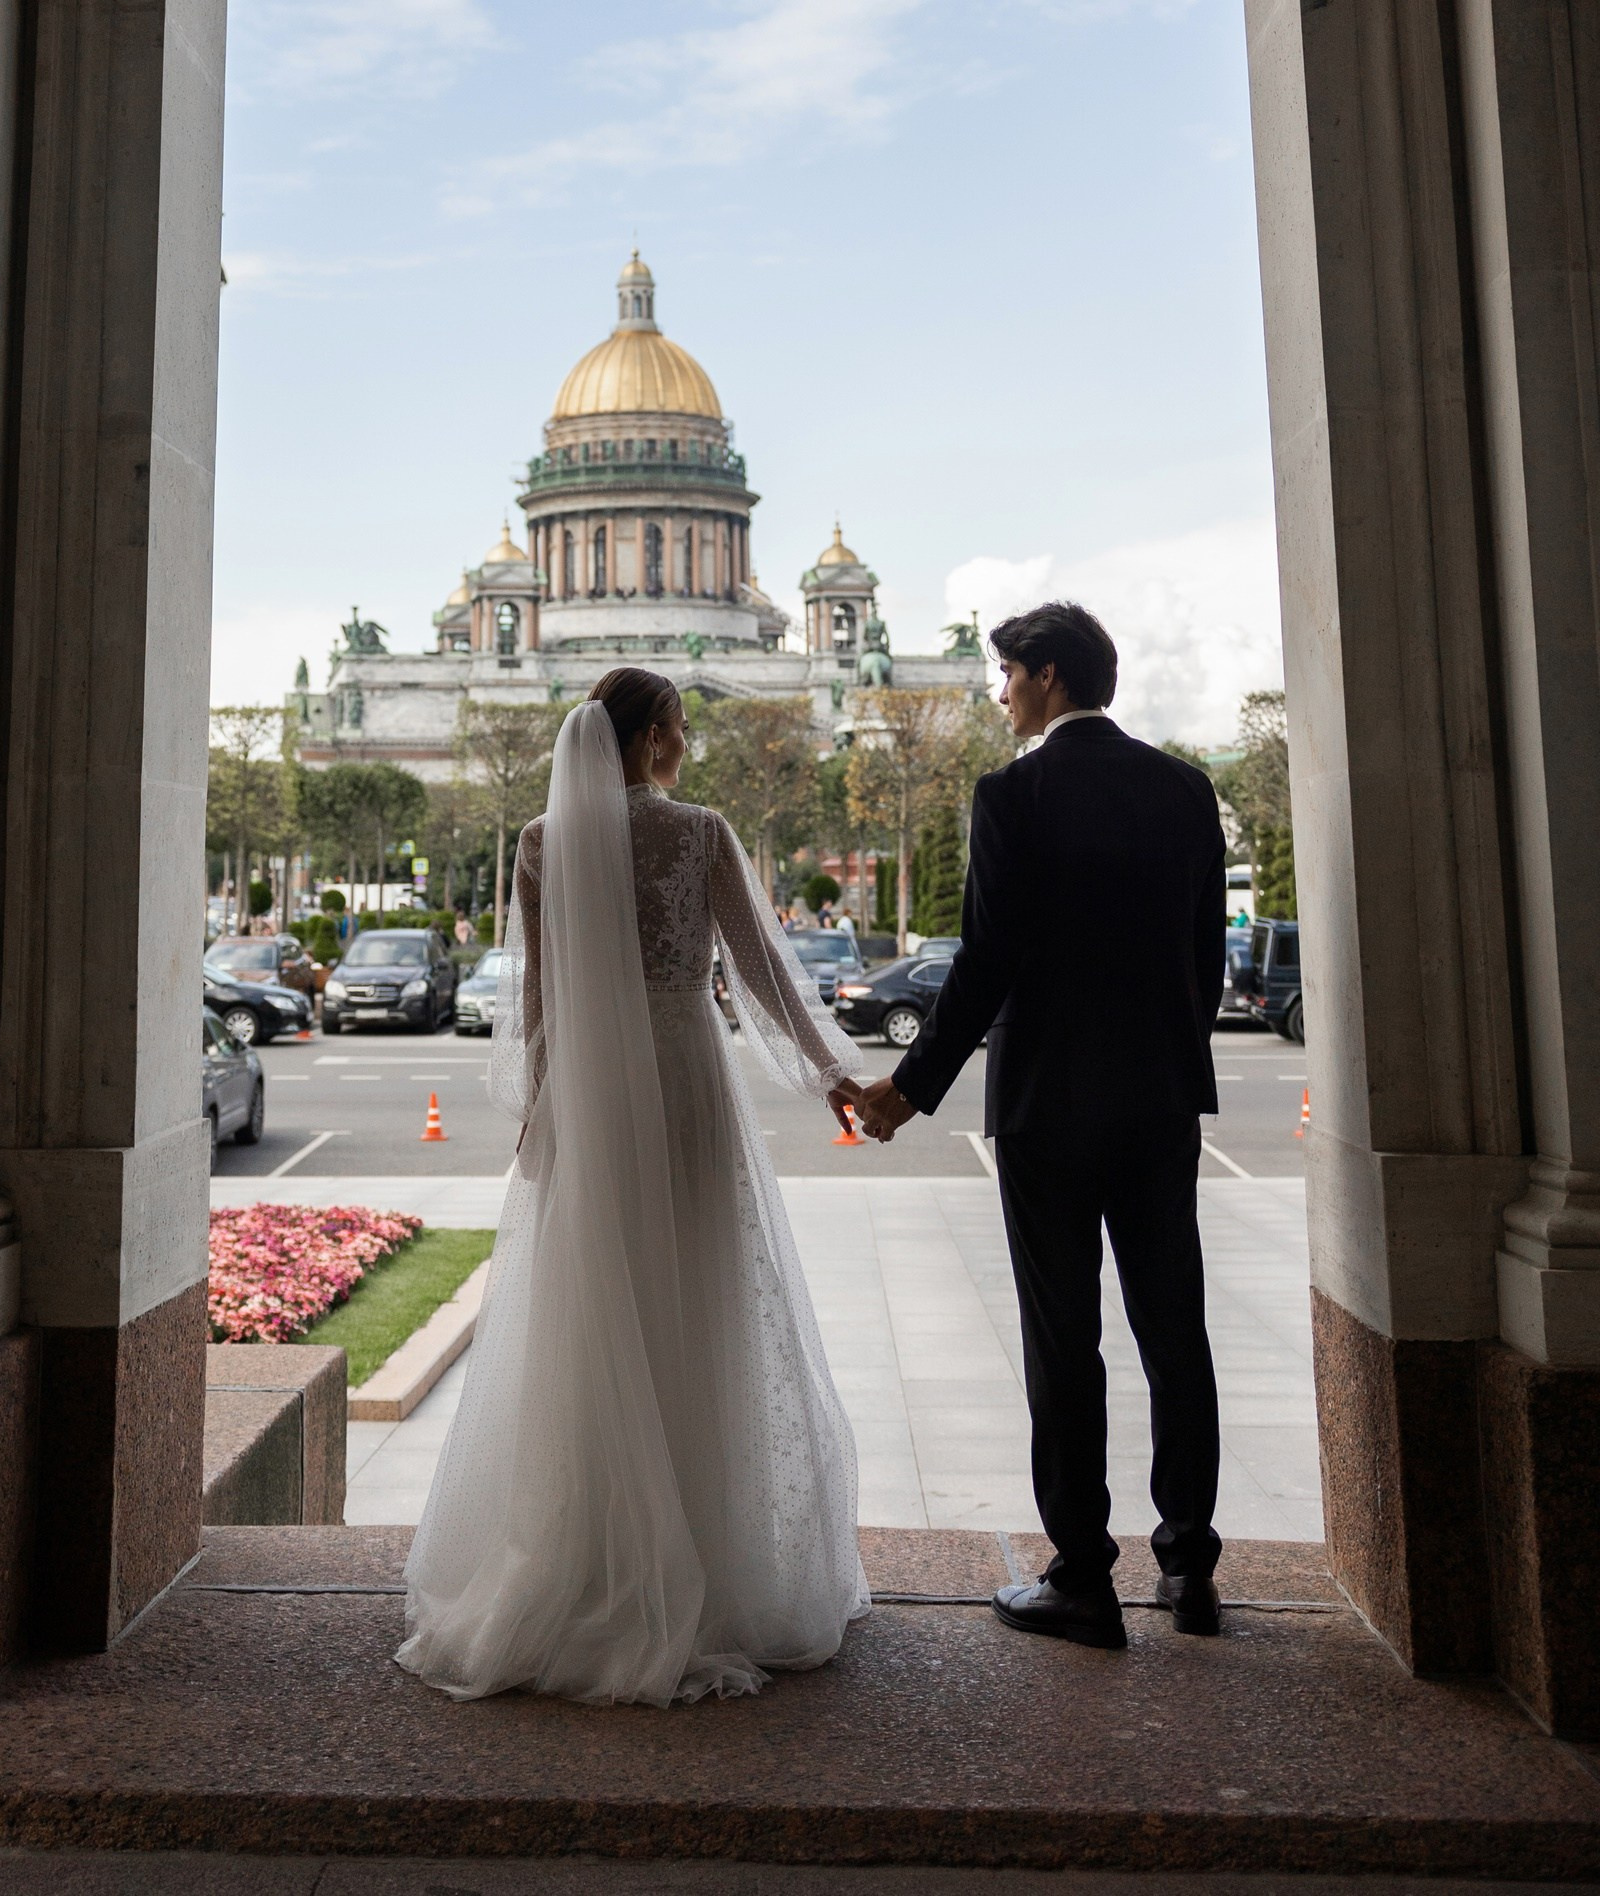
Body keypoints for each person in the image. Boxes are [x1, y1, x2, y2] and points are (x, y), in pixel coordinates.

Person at [397, 668, 870, 1704]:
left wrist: (538, 1105)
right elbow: (762, 980)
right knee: (697, 1301)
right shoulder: (697, 834)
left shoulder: (536, 842)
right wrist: (835, 1077)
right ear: (655, 736)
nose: (687, 744)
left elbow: (536, 999)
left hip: (588, 1094)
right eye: (682, 727)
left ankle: (589, 1561)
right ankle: (706, 1558)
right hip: (682, 1083)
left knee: (587, 1311)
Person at [857, 601, 1229, 1648]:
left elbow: (987, 961)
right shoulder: (1182, 789)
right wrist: (1163, 1052)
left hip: (1044, 1104)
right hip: (1158, 1097)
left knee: (1063, 1339)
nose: (1000, 693)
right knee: (1174, 1331)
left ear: (1050, 676)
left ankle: (1081, 1575)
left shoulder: (1011, 794)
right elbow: (1202, 961)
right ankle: (1189, 1567)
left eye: (1008, 675)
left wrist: (906, 1088)